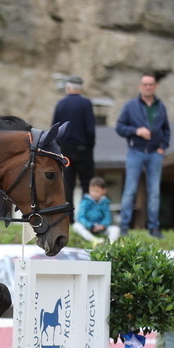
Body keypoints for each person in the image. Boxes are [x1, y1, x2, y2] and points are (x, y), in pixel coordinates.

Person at [116, 73, 170, 239]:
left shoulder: (161, 107)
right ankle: (124, 226)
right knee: (130, 191)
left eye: (151, 84)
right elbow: (119, 127)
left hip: (155, 153)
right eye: (145, 84)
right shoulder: (130, 106)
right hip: (136, 151)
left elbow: (166, 130)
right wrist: (136, 131)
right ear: (140, 86)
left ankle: (154, 228)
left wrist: (163, 147)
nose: (148, 87)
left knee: (154, 192)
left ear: (155, 86)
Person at [52, 75, 96, 208]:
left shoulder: (61, 104)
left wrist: (58, 146)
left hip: (65, 149)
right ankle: (86, 216)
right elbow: (90, 128)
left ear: (68, 88)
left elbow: (55, 128)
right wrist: (90, 145)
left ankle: (69, 217)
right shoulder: (86, 103)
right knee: (86, 183)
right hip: (84, 149)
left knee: (67, 183)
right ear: (81, 88)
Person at [72, 177, 120, 244]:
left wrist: (103, 225)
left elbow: (107, 217)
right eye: (92, 190)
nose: (94, 193)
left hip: (101, 228)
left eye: (97, 191)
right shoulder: (85, 201)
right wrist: (90, 226)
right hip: (88, 227)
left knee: (115, 229)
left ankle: (111, 243)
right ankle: (94, 240)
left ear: (103, 191)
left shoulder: (105, 202)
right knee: (76, 226)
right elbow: (80, 217)